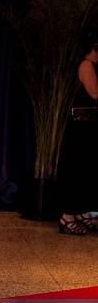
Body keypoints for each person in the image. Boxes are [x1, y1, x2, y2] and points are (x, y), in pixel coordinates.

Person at [57, 33, 98, 235]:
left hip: (86, 128)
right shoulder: (86, 65)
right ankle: (68, 216)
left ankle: (81, 213)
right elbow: (94, 93)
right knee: (78, 169)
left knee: (84, 171)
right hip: (81, 129)